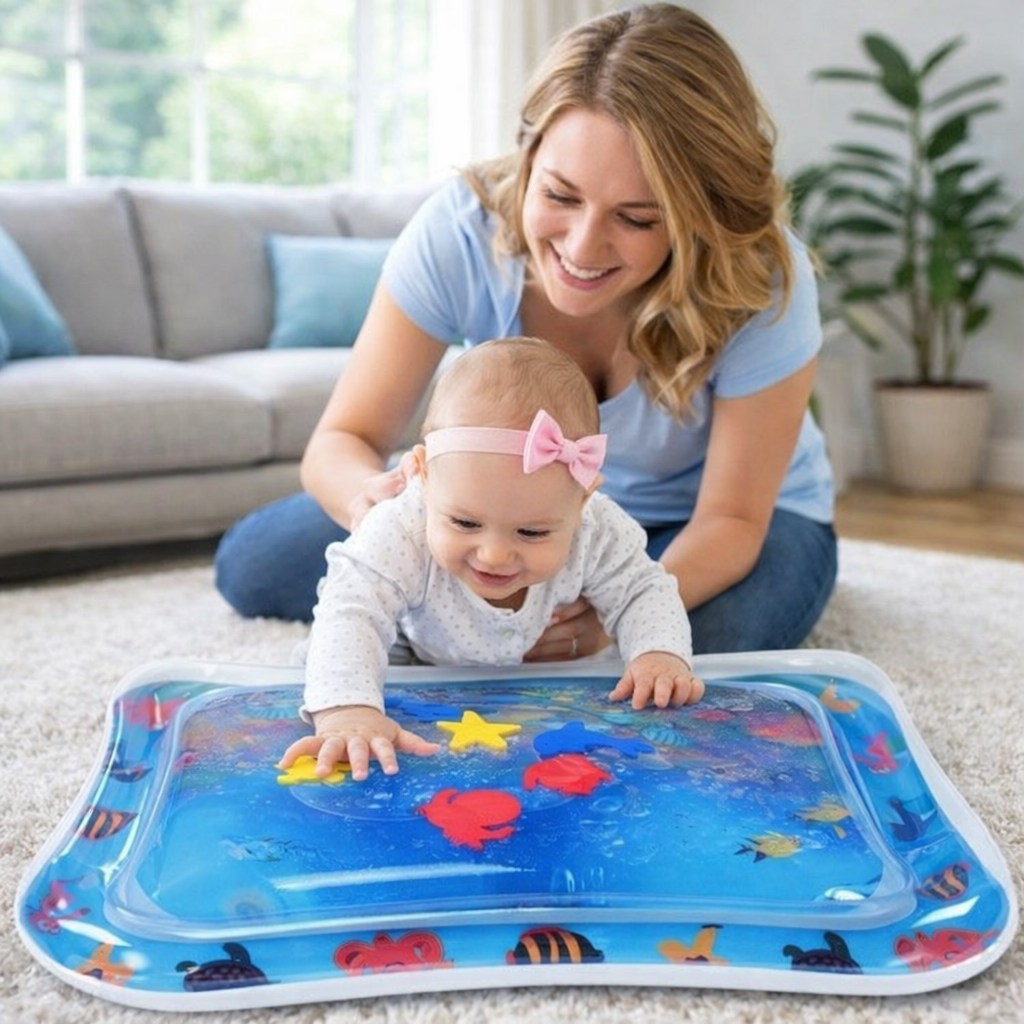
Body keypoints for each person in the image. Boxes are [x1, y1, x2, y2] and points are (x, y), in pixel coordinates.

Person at [216, 2, 837, 659]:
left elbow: (732, 519)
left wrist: (608, 610)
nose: (583, 244)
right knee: (257, 564)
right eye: (561, 196)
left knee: (697, 646)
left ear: (697, 216)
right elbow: (343, 441)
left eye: (636, 217)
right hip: (502, 508)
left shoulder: (758, 278)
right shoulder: (461, 231)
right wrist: (389, 520)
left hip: (711, 519)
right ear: (529, 149)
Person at [280, 337, 703, 781]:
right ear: (423, 476)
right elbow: (353, 611)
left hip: (524, 674)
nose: (494, 554)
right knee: (336, 679)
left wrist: (659, 653)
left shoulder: (596, 527)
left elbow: (642, 588)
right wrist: (348, 710)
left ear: (582, 501)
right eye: (465, 523)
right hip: (405, 654)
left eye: (532, 531)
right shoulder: (400, 527)